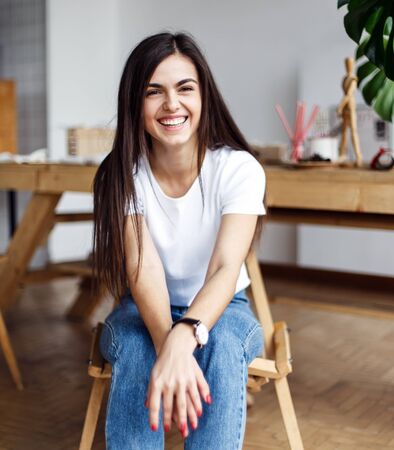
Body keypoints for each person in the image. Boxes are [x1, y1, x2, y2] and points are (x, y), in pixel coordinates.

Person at [93, 31, 266, 450]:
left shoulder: (239, 168)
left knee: (221, 344)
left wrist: (185, 335)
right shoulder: (121, 172)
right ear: (135, 103)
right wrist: (166, 344)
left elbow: (226, 267)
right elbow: (142, 267)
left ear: (204, 96)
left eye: (184, 88)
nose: (172, 104)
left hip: (225, 305)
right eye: (154, 92)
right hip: (142, 303)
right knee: (136, 348)